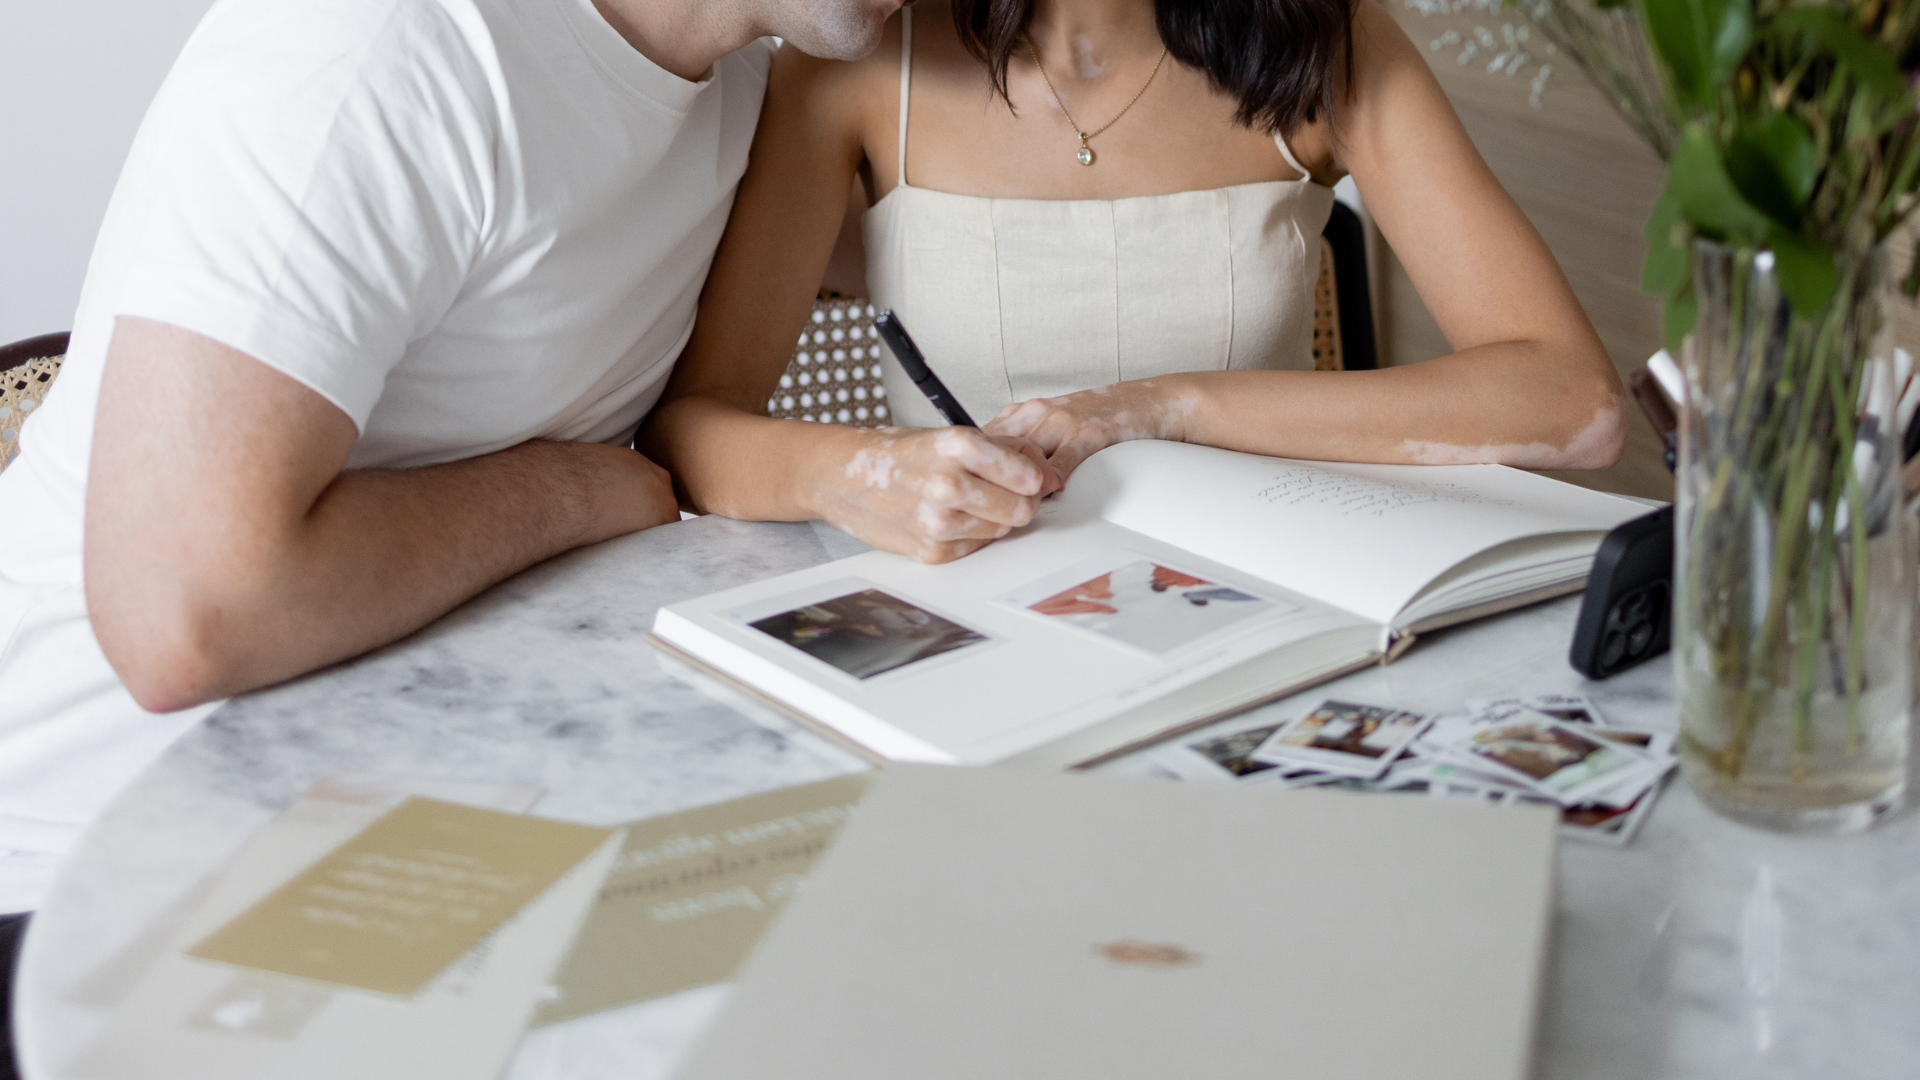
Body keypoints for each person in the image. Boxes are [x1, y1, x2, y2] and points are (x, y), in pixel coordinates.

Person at [0, 0, 905, 1028]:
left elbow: (1006, 238)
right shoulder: (376, 47)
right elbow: (186, 615)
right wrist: (575, 490)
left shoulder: (749, 96)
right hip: (86, 880)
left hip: (452, 827)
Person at [639, 0, 1628, 565]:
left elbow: (1573, 402)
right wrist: (863, 476)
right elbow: (694, 425)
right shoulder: (856, 58)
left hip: (1275, 602)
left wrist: (1166, 407)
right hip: (963, 621)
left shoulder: (1327, 41)